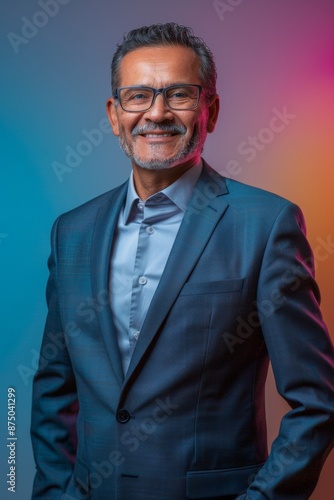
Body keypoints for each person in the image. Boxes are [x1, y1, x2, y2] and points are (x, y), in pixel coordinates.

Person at [31, 22, 334, 500]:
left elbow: (317, 402)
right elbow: (52, 386)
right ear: (114, 114)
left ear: (210, 111)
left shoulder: (267, 224)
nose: (156, 113)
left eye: (179, 95)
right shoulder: (72, 232)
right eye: (138, 96)